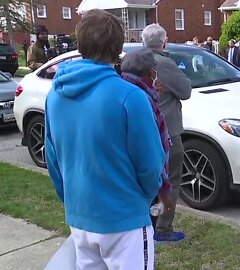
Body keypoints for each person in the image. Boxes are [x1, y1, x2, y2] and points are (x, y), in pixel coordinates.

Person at [44, 9, 166, 270]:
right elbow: (152, 164)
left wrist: (74, 200)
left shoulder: (54, 96)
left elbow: (53, 160)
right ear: (118, 47)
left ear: (81, 43)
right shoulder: (130, 97)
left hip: (81, 217)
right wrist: (142, 200)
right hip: (125, 220)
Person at [142, 23, 192, 243]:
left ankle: (145, 223)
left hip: (142, 131)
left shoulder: (133, 61)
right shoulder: (164, 63)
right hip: (167, 131)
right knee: (170, 180)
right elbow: (185, 91)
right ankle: (162, 228)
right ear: (164, 42)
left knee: (146, 179)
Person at [120, 48, 175, 228]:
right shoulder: (141, 100)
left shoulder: (124, 91)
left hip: (125, 188)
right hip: (144, 189)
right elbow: (151, 151)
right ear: (151, 72)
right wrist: (165, 193)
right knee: (146, 235)